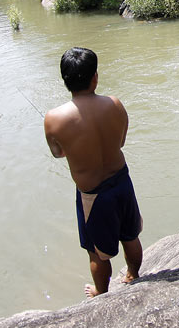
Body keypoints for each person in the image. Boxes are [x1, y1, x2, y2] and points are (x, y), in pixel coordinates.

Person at [44, 47, 143, 298]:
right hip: (122, 181)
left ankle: (101, 291)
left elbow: (58, 153)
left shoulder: (53, 119)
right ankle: (133, 274)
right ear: (95, 77)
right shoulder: (115, 104)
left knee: (97, 252)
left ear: (65, 81)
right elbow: (120, 142)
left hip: (93, 195)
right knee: (130, 236)